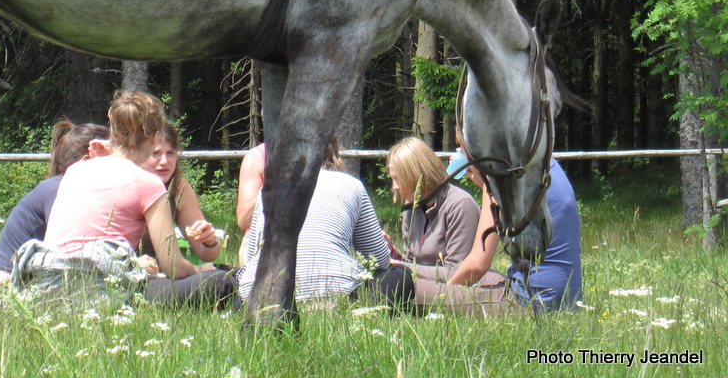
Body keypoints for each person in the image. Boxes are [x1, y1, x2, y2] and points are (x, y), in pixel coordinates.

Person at [18, 91, 216, 304]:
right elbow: (173, 266)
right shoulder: (149, 184)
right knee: (221, 281)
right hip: (104, 290)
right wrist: (202, 270)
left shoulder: (76, 170)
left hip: (47, 283)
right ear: (154, 137)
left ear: (113, 132)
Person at [237, 137, 414, 308]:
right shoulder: (352, 185)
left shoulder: (267, 190)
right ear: (334, 155)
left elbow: (252, 259)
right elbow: (380, 261)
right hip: (333, 295)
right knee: (399, 276)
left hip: (259, 299)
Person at [413, 155, 583, 316]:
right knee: (475, 274)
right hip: (568, 298)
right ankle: (405, 267)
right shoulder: (547, 163)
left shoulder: (500, 179)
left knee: (399, 286)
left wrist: (447, 295)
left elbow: (477, 266)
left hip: (529, 305)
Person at [0, 119, 110, 297]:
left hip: (25, 276)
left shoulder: (62, 186)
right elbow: (68, 247)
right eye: (112, 159)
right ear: (89, 158)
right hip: (3, 279)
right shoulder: (58, 189)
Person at [385, 136, 479, 282]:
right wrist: (392, 253)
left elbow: (457, 273)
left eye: (398, 179)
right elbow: (412, 264)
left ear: (417, 174)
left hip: (453, 292)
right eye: (392, 180)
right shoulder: (411, 207)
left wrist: (399, 266)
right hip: (422, 285)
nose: (395, 187)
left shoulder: (460, 205)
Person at [139, 123, 222, 263]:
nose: (164, 161)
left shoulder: (178, 188)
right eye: (155, 153)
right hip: (124, 276)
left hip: (162, 277)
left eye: (170, 153)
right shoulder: (123, 185)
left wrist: (209, 240)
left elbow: (207, 255)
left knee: (228, 275)